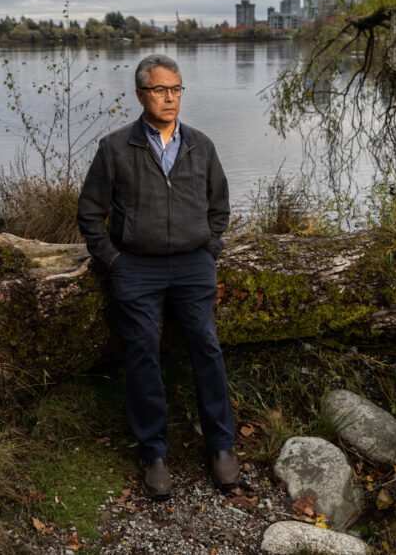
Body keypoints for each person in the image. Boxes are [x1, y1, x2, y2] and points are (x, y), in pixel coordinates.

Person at [76, 53, 238, 501]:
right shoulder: (115, 148)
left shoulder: (200, 145)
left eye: (177, 89)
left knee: (206, 347)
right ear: (141, 95)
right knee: (143, 352)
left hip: (192, 265)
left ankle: (221, 445)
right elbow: (90, 213)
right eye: (160, 90)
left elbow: (219, 206)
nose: (170, 98)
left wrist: (210, 249)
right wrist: (113, 260)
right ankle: (154, 452)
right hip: (137, 268)